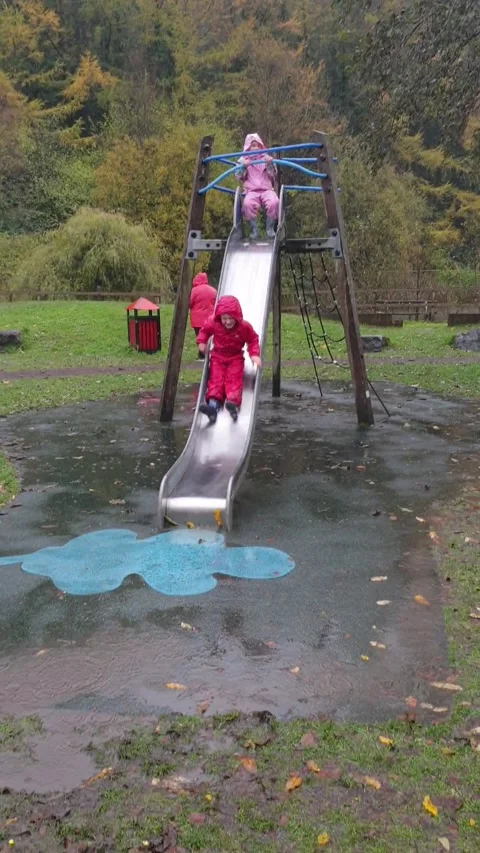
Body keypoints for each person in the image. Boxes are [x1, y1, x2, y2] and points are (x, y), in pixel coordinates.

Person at [197, 295, 261, 424]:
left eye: (231, 318)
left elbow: (253, 340)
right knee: (216, 380)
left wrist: (254, 354)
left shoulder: (244, 327)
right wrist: (201, 342)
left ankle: (232, 404)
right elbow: (204, 331)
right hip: (217, 357)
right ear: (219, 317)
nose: (227, 321)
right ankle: (213, 407)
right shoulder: (214, 322)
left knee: (233, 379)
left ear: (237, 316)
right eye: (224, 318)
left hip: (235, 358)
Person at [236, 133, 279, 240]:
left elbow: (273, 174)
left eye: (257, 145)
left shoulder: (266, 157)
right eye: (252, 145)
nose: (255, 147)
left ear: (260, 145)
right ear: (247, 147)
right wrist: (243, 167)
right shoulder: (242, 160)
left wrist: (269, 164)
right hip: (251, 191)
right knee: (247, 204)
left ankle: (270, 229)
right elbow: (237, 176)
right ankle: (253, 231)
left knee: (274, 202)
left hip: (266, 189)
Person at [189, 272, 217, 359]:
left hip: (197, 319)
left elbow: (189, 303)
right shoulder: (213, 290)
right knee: (209, 337)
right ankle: (210, 354)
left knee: (200, 337)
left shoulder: (194, 290)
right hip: (210, 318)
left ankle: (201, 355)